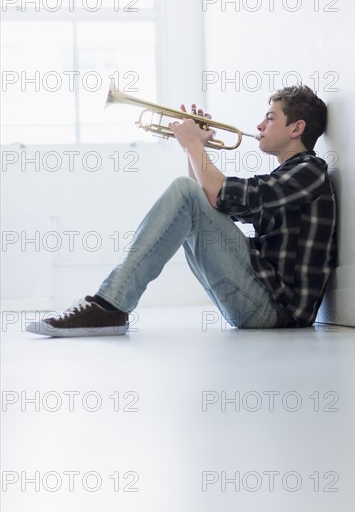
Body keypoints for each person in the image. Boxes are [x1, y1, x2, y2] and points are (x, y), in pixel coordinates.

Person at [27, 85, 337, 337]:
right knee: (188, 193)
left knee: (186, 191)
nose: (259, 125)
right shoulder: (286, 177)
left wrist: (194, 146)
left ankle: (110, 305)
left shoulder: (310, 172)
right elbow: (206, 203)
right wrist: (195, 147)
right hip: (260, 300)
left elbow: (216, 194)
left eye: (270, 117)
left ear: (297, 127)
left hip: (276, 311)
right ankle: (110, 305)